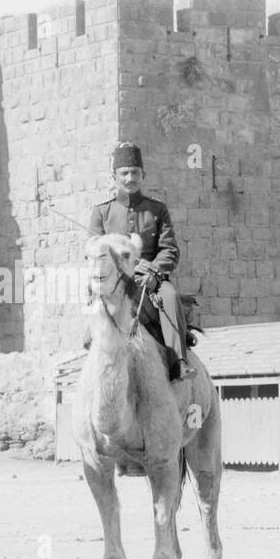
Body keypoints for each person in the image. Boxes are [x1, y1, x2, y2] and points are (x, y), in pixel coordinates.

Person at [88, 142, 195, 381]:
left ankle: (179, 361)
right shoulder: (101, 213)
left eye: (135, 172)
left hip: (151, 280)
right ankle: (91, 356)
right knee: (98, 308)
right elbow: (95, 251)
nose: (130, 177)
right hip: (115, 281)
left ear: (142, 175)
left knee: (170, 297)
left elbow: (170, 250)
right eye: (124, 172)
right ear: (114, 177)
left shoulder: (157, 210)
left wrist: (154, 271)